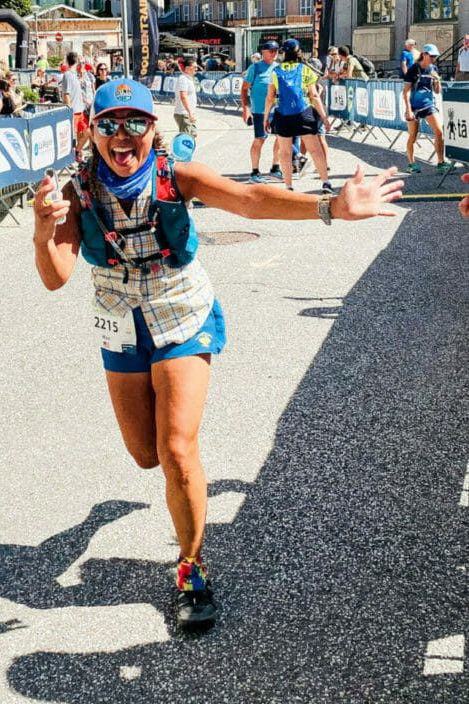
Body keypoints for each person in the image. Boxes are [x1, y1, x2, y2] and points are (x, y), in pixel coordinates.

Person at [33, 78, 403, 633]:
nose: (123, 135)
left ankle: (191, 569)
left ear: (152, 128)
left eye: (136, 122)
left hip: (180, 309)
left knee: (177, 448)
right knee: (145, 455)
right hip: (119, 320)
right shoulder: (78, 190)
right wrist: (43, 233)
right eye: (110, 123)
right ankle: (132, 518)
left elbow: (249, 199)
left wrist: (332, 206)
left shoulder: (174, 175)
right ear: (93, 130)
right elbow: (56, 278)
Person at [264, 39, 332, 192]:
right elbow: (314, 95)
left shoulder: (275, 71)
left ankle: (289, 186)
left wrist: (266, 118)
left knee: (285, 152)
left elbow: (269, 98)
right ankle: (326, 183)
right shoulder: (305, 69)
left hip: (282, 114)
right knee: (315, 150)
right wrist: (325, 118)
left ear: (284, 53)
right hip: (303, 113)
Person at [403, 43, 453, 174]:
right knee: (413, 136)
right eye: (432, 56)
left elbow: (437, 91)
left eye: (435, 56)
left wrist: (437, 80)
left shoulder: (433, 68)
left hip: (428, 104)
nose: (433, 59)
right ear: (424, 55)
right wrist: (408, 109)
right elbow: (406, 91)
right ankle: (411, 163)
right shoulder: (413, 69)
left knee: (439, 131)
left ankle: (441, 162)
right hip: (414, 105)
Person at [240, 40, 282, 183]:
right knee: (260, 140)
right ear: (263, 52)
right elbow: (244, 89)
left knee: (280, 139)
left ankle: (275, 169)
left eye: (276, 50)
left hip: (276, 110)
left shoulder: (279, 68)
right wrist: (246, 109)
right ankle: (255, 172)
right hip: (259, 110)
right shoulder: (255, 68)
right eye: (271, 50)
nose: (274, 53)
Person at [61, 51, 88, 156]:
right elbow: (66, 94)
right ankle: (73, 155)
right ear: (77, 61)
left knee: (87, 132)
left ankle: (77, 150)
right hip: (74, 111)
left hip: (80, 110)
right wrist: (69, 111)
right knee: (71, 137)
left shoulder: (74, 75)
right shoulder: (68, 75)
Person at [174, 57, 198, 139]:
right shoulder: (183, 79)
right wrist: (189, 112)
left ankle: (187, 151)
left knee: (193, 135)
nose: (196, 69)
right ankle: (180, 151)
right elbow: (183, 97)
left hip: (189, 113)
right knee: (185, 138)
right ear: (187, 68)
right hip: (183, 113)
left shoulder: (189, 79)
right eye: (194, 67)